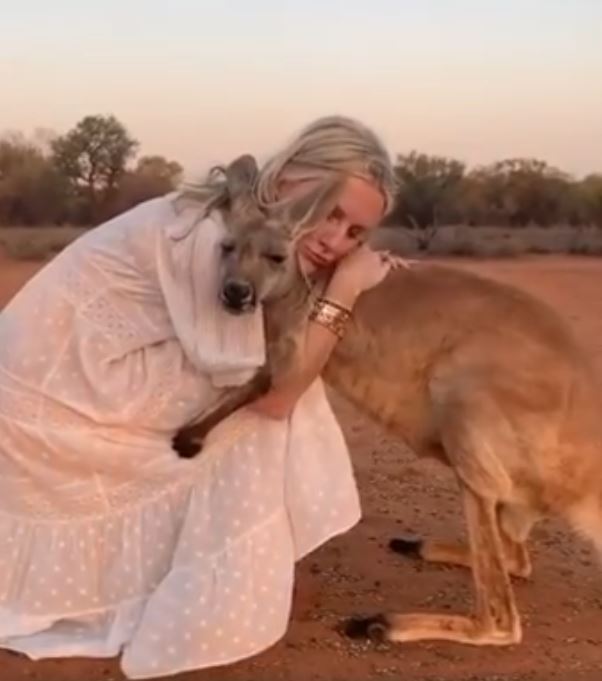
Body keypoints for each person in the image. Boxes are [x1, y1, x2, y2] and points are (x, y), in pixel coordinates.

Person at [0, 115, 403, 678]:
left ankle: (231, 563)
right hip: (46, 404)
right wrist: (348, 286)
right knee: (263, 398)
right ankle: (228, 580)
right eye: (330, 212)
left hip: (69, 379)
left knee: (270, 370)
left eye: (356, 234)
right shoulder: (218, 239)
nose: (335, 241)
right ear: (288, 176)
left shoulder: (242, 220)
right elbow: (279, 395)